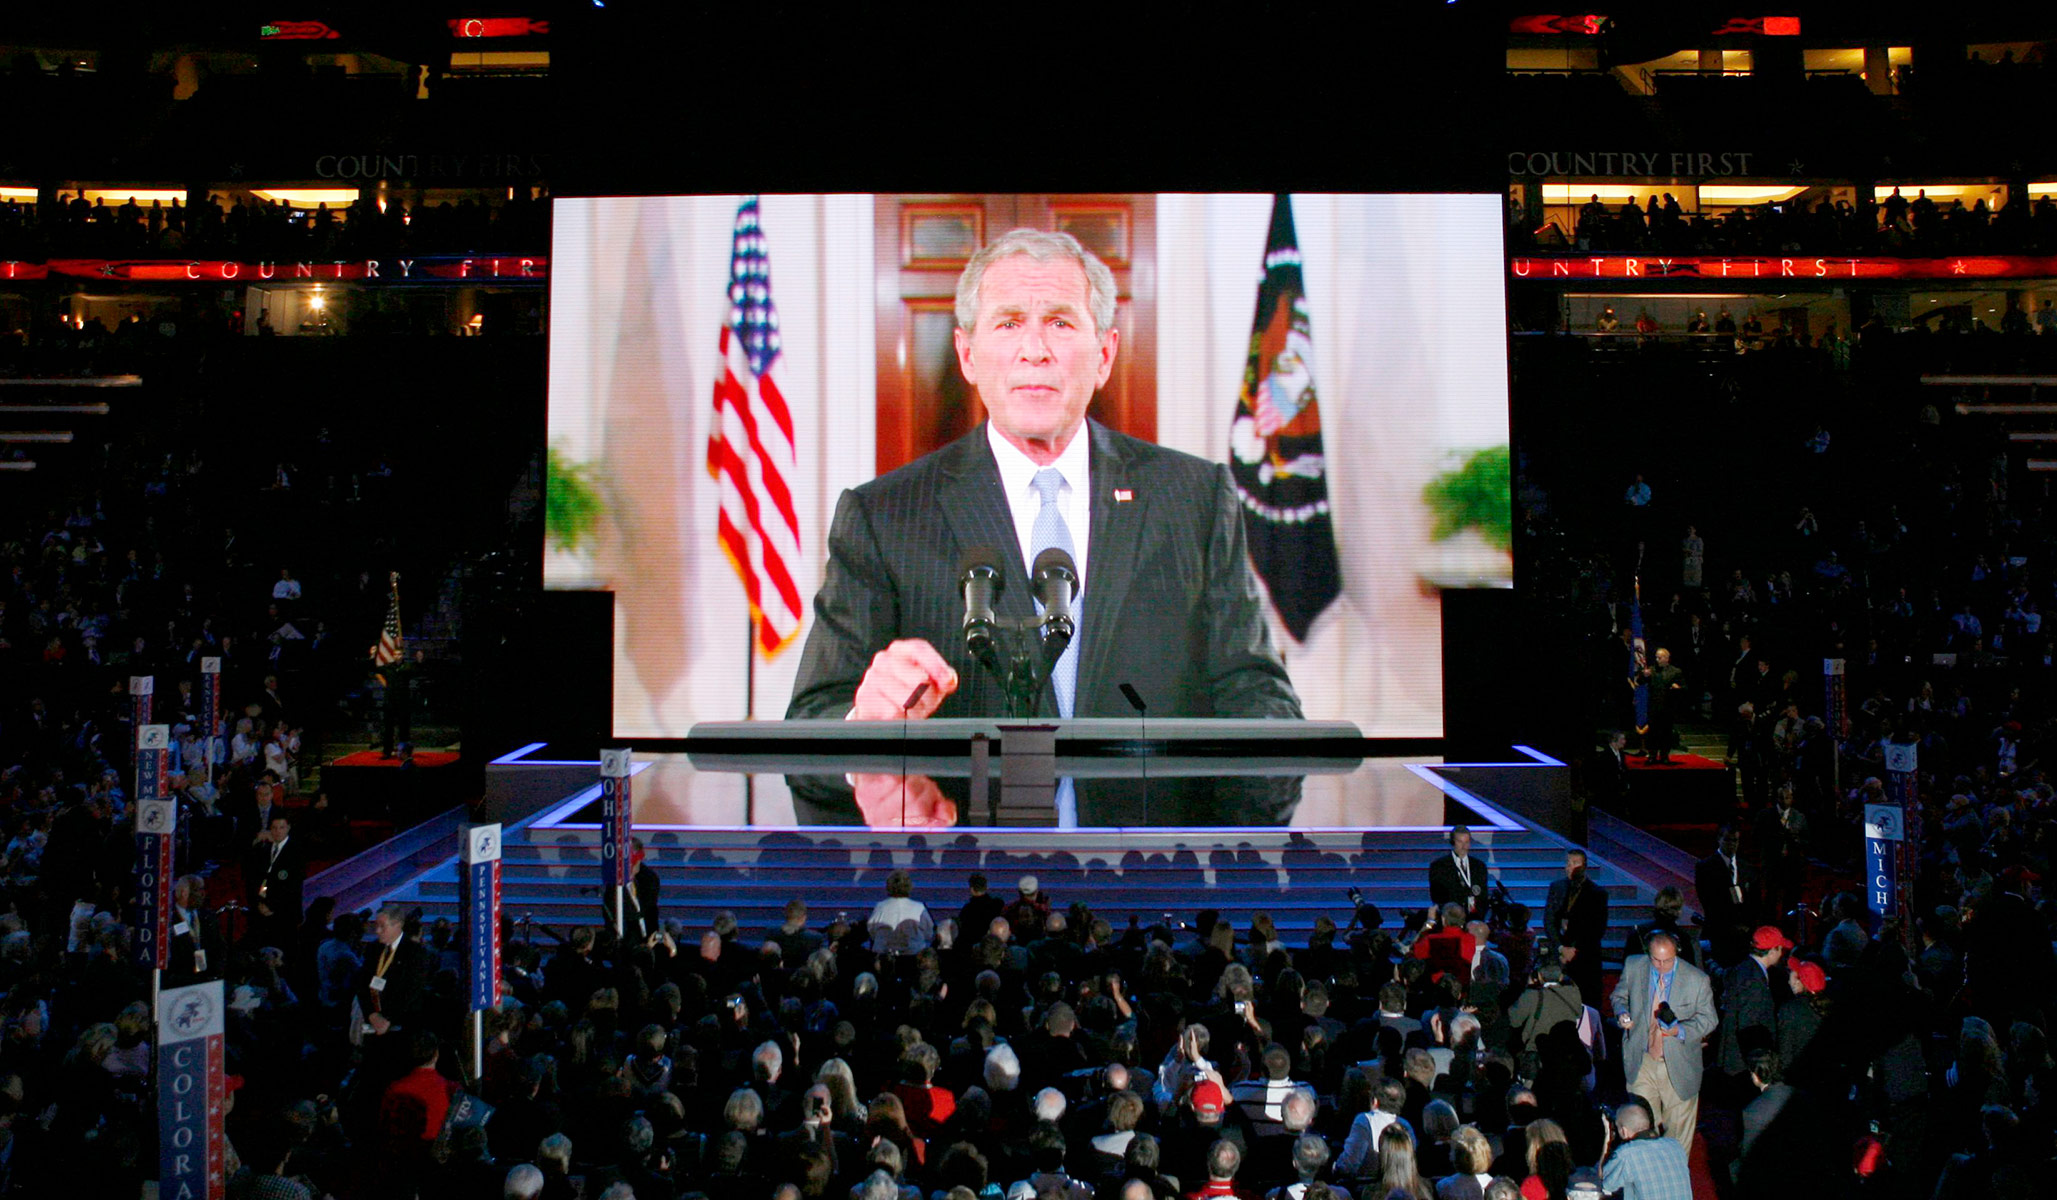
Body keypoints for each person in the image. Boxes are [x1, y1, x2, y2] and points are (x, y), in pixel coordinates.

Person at [785, 228, 1302, 826]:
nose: (1035, 350)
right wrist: (865, 729)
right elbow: (809, 728)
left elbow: (1259, 699)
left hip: (1148, 866)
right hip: (962, 863)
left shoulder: (1194, 500)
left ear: (1104, 354)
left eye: (1059, 322)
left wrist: (1227, 858)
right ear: (967, 355)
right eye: (1008, 323)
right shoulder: (884, 517)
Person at [1610, 931, 1716, 1151]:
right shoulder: (1634, 966)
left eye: (1667, 960)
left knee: (1678, 1137)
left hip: (1679, 1064)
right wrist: (1622, 1013)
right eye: (1655, 960)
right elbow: (1618, 996)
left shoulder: (1696, 979)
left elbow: (1709, 1020)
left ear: (1676, 953)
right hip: (1641, 1060)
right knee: (1641, 1128)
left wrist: (1681, 1030)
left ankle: (1674, 1170)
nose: (1661, 966)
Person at [1716, 926, 1790, 1088]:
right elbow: (1749, 1023)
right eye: (1780, 949)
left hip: (1736, 1058)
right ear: (1772, 951)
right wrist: (1759, 1066)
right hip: (1743, 1064)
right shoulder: (1754, 980)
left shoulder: (1745, 968)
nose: (1782, 953)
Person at [1542, 850, 1608, 1001]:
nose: (1570, 867)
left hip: (1585, 958)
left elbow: (1597, 929)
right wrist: (1561, 948)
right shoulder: (1556, 887)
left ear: (1584, 866)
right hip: (1559, 955)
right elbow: (1549, 920)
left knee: (1586, 999)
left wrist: (1575, 950)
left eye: (1575, 863)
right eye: (1568, 863)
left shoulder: (1598, 893)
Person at [1597, 1101, 1692, 1200]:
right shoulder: (1675, 1145)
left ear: (1624, 1131)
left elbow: (1605, 1181)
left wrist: (1608, 1137)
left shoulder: (1627, 1154)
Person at [1693, 825, 1755, 966]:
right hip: (1719, 932)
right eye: (1727, 840)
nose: (1732, 844)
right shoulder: (1705, 867)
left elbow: (1754, 900)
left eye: (1735, 840)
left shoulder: (1746, 867)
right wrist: (1730, 925)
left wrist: (1747, 924)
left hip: (1743, 934)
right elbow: (1708, 901)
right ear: (1719, 839)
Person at [244, 812, 306, 948]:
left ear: (288, 828)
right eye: (274, 828)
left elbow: (293, 885)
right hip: (263, 911)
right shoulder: (264, 849)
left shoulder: (296, 851)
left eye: (281, 828)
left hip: (285, 912)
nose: (278, 831)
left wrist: (271, 905)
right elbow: (261, 880)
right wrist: (260, 901)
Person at [1428, 825, 1488, 921]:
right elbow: (1437, 897)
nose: (1464, 847)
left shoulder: (1479, 866)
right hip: (1451, 920)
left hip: (1474, 919)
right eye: (1460, 842)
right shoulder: (1439, 866)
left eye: (1467, 842)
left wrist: (1477, 918)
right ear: (1452, 842)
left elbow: (1483, 897)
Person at [867, 869, 934, 956]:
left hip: (885, 955)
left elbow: (871, 931)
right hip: (913, 955)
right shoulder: (919, 908)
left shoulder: (880, 907)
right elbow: (929, 933)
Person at [1639, 648, 1684, 765]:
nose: (1657, 659)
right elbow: (1640, 682)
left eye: (1659, 657)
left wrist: (1677, 688)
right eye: (1656, 657)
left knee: (1666, 732)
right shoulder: (1651, 670)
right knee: (1653, 732)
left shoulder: (1675, 671)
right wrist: (1644, 675)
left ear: (1666, 658)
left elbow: (1683, 687)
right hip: (1654, 706)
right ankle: (1652, 755)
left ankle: (1664, 755)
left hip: (1668, 707)